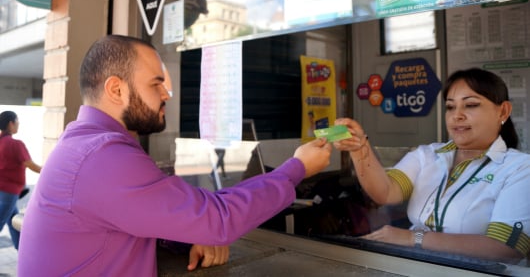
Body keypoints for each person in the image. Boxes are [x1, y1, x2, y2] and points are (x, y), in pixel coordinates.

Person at [18, 35, 332, 276]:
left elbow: (135, 217)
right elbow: (218, 218)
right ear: (116, 90)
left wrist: (184, 235)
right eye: (157, 84)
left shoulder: (84, 145)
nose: (168, 93)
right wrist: (298, 168)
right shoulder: (101, 157)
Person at [333, 68, 530, 264]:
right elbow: (385, 192)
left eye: (470, 105)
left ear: (503, 111)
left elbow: (505, 248)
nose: (457, 115)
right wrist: (359, 149)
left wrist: (412, 238)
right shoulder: (427, 155)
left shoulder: (519, 169)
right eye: (450, 107)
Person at [0, 111, 41, 250]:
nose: (18, 124)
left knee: (15, 224)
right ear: (11, 123)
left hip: (4, 191)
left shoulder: (1, 142)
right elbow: (30, 164)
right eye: (17, 121)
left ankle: (23, 252)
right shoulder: (15, 144)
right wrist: (49, 171)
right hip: (9, 192)